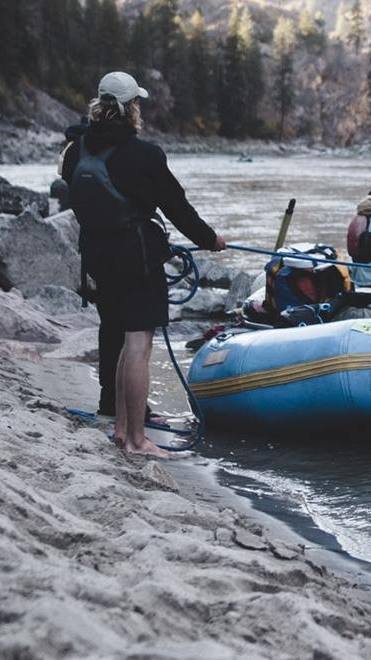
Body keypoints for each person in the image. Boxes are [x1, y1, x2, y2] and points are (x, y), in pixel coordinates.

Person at [61, 71, 224, 458]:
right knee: (137, 346)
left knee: (119, 338)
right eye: (137, 103)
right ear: (130, 108)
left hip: (97, 259)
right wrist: (210, 240)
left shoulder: (73, 152)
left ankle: (121, 429)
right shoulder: (145, 156)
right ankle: (137, 440)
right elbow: (177, 208)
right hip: (136, 261)